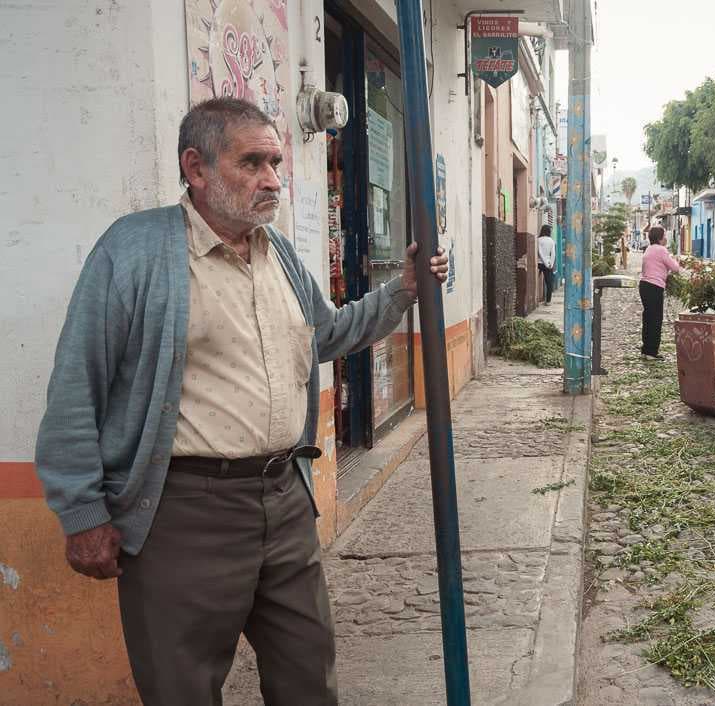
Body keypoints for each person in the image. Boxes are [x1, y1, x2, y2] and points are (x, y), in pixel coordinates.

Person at [33, 98, 449, 706]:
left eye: (276, 162)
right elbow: (76, 387)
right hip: (181, 515)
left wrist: (403, 291)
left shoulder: (275, 252)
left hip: (284, 502)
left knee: (310, 680)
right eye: (252, 162)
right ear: (196, 168)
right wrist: (83, 514)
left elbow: (326, 335)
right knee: (183, 689)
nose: (273, 179)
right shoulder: (134, 252)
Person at [639, 226, 682, 359]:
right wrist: (677, 261)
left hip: (644, 285)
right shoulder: (661, 250)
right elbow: (675, 268)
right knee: (656, 320)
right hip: (654, 287)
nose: (666, 238)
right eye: (664, 236)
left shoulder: (649, 249)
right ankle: (652, 352)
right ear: (659, 238)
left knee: (648, 318)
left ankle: (646, 349)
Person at [537, 224, 556, 304]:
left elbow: (540, 253)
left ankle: (536, 299)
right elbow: (553, 254)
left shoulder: (539, 240)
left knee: (535, 281)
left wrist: (544, 262)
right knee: (549, 283)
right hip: (548, 264)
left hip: (539, 263)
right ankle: (548, 301)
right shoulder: (551, 240)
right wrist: (550, 264)